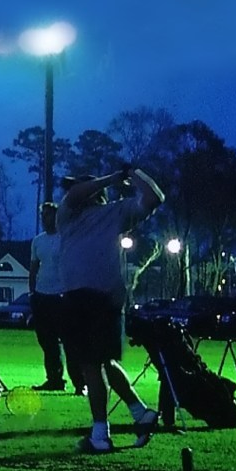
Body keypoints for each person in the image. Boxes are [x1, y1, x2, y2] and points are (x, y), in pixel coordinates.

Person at [57, 167, 165, 454]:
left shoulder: (110, 212)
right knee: (104, 362)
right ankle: (140, 412)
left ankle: (100, 436)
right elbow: (78, 193)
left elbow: (155, 197)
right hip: (104, 298)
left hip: (86, 298)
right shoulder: (69, 214)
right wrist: (120, 176)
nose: (72, 194)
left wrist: (131, 173)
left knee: (90, 366)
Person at [29, 202, 85, 395]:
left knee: (71, 342)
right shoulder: (38, 241)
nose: (45, 219)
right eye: (42, 215)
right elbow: (34, 267)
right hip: (42, 296)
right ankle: (54, 379)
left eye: (48, 215)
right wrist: (32, 293)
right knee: (47, 342)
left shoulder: (66, 238)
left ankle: (80, 382)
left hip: (63, 296)